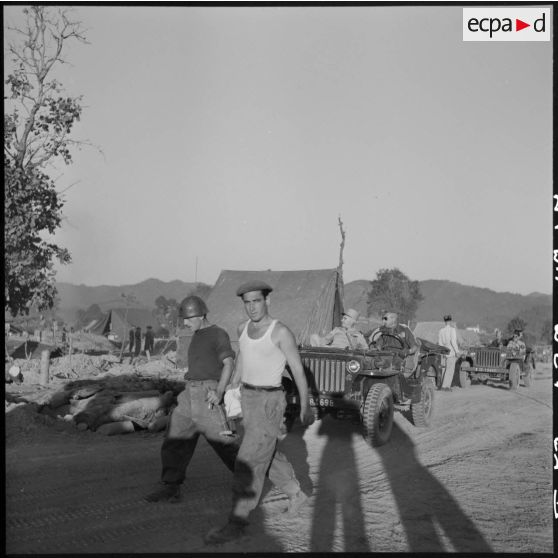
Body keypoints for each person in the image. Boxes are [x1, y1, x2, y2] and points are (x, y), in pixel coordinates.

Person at [205, 280, 314, 544]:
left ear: (268, 301)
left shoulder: (280, 332)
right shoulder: (242, 328)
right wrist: (231, 390)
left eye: (257, 301)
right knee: (266, 453)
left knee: (248, 461)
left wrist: (306, 405)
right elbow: (243, 358)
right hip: (248, 398)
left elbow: (298, 370)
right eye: (247, 302)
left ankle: (237, 522)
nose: (252, 307)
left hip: (269, 402)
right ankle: (295, 493)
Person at [145, 295, 239, 503]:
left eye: (188, 318)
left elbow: (229, 363)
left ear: (201, 315)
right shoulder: (196, 335)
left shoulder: (218, 333)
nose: (185, 323)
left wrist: (220, 391)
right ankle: (171, 486)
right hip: (189, 393)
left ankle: (249, 482)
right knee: (175, 438)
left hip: (209, 393)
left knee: (225, 443)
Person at [369, 311, 419, 403]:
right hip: (386, 355)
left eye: (385, 319)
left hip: (400, 355)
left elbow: (415, 346)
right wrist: (375, 348)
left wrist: (408, 351)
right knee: (371, 364)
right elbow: (378, 345)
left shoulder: (404, 330)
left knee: (395, 367)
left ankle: (404, 394)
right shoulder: (383, 331)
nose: (383, 321)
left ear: (393, 320)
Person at [438, 314, 460, 392]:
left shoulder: (441, 331)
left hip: (444, 352)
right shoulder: (452, 330)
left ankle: (441, 385)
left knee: (444, 370)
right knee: (450, 370)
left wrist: (442, 352)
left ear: (445, 321)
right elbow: (453, 341)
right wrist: (457, 351)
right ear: (450, 321)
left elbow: (440, 343)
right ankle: (446, 386)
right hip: (451, 352)